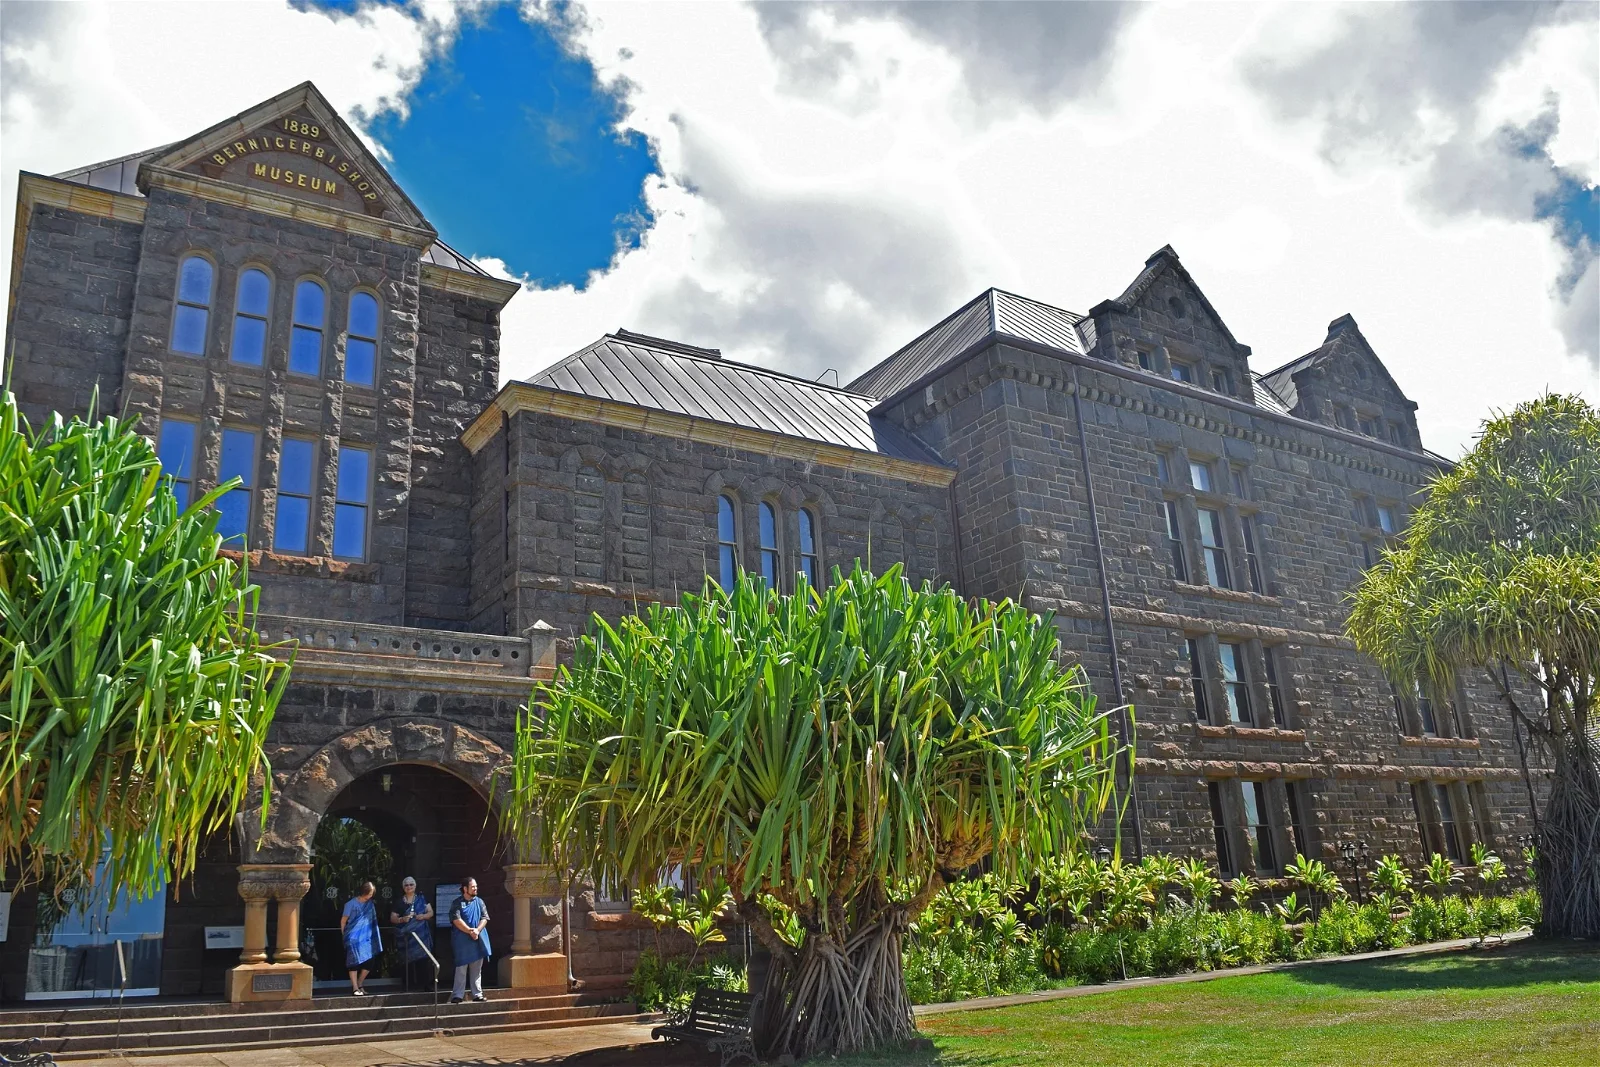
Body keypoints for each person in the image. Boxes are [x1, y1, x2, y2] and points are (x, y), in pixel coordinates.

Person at [448, 875, 491, 1003]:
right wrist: (469, 930)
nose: (475, 889)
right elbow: (456, 919)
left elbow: (485, 918)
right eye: (473, 887)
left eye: (476, 886)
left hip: (477, 939)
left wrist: (477, 930)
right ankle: (457, 995)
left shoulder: (479, 902)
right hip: (462, 940)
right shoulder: (456, 903)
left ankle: (477, 994)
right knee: (461, 967)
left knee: (477, 969)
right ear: (465, 889)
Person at [390, 876, 435, 991]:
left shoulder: (422, 898)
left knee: (423, 960)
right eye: (406, 885)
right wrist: (402, 919)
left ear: (415, 886)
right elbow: (393, 918)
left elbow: (430, 912)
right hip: (406, 937)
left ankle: (425, 985)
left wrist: (423, 916)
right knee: (406, 961)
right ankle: (407, 986)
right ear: (403, 887)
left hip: (421, 936)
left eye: (411, 884)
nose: (409, 887)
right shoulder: (399, 902)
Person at [340, 881, 381, 996]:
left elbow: (372, 921)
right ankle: (354, 987)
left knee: (370, 961)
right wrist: (345, 936)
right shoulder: (350, 904)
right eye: (370, 893)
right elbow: (343, 921)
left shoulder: (370, 904)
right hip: (353, 938)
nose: (371, 895)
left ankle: (360, 983)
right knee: (354, 962)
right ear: (364, 892)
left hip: (367, 938)